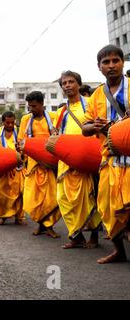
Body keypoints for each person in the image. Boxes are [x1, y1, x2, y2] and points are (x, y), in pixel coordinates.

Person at [82, 45, 130, 264]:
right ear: (99, 67)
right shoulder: (96, 95)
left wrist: (119, 125)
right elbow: (85, 128)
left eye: (115, 61)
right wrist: (97, 127)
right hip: (109, 159)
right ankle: (119, 251)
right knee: (108, 207)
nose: (111, 66)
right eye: (106, 62)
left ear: (122, 62)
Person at [56, 71, 102, 249]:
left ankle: (94, 236)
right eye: (64, 83)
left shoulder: (90, 104)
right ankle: (76, 235)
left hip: (85, 159)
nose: (67, 85)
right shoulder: (61, 112)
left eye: (71, 82)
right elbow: (60, 134)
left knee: (86, 198)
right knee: (63, 198)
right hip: (65, 161)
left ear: (79, 84)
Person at [17, 91, 61, 238]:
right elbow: (21, 140)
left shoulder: (53, 117)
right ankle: (41, 224)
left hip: (50, 163)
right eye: (29, 106)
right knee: (33, 196)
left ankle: (48, 226)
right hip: (33, 163)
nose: (31, 109)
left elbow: (59, 138)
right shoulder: (25, 119)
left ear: (42, 104)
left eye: (34, 106)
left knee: (50, 196)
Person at [0, 111, 25, 226]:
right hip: (3, 169)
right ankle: (3, 215)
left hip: (18, 168)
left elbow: (25, 147)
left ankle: (19, 217)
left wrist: (21, 154)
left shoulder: (19, 132)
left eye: (12, 123)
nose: (10, 125)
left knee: (19, 193)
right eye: (7, 123)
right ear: (3, 122)